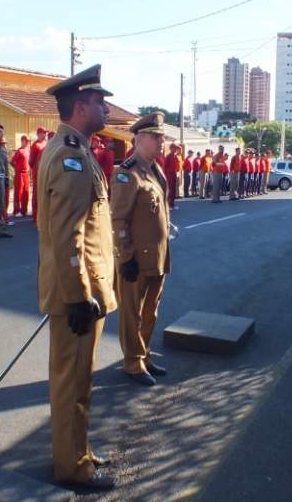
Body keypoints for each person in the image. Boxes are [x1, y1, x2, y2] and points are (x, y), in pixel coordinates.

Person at [36, 64, 118, 491]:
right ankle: (72, 467)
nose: (106, 107)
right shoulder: (70, 155)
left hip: (84, 288)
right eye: (100, 101)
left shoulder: (78, 149)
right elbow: (68, 235)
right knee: (72, 384)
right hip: (77, 292)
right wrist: (79, 295)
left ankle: (77, 452)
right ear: (81, 105)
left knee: (79, 381)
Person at [110, 112, 172, 387]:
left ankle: (144, 355)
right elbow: (118, 218)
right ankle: (132, 363)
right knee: (131, 312)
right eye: (157, 137)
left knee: (150, 311)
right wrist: (125, 256)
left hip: (157, 256)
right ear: (140, 139)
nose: (162, 142)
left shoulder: (154, 169)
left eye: (162, 137)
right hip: (136, 257)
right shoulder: (127, 172)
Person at [29, 127, 49, 223]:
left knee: (44, 194)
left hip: (46, 173)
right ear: (38, 134)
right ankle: (35, 216)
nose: (45, 135)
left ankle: (43, 215)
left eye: (45, 133)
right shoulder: (35, 145)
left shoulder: (47, 143)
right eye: (43, 133)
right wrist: (35, 170)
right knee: (36, 195)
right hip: (37, 174)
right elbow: (31, 161)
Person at [11, 134, 30, 217]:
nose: (28, 143)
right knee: (18, 193)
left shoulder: (27, 150)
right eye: (26, 141)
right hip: (20, 174)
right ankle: (17, 211)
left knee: (26, 192)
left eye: (28, 141)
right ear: (22, 141)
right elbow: (12, 161)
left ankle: (24, 210)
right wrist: (17, 169)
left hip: (26, 174)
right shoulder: (19, 151)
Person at [163, 143, 180, 210]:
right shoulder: (168, 156)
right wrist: (166, 176)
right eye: (174, 148)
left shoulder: (175, 156)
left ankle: (172, 205)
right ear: (171, 149)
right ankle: (168, 205)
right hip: (169, 175)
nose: (176, 150)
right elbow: (164, 167)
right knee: (169, 190)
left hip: (174, 174)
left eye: (176, 148)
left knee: (173, 190)